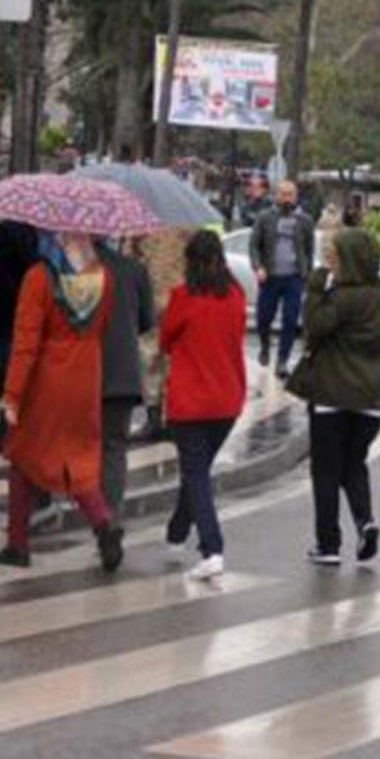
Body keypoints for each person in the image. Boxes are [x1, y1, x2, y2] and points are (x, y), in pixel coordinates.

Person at [0, 231, 124, 572]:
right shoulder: (103, 278)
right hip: (86, 375)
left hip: (47, 379)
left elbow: (26, 343)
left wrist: (12, 395)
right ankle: (103, 523)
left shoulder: (39, 278)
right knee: (79, 457)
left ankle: (18, 544)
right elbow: (104, 325)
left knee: (23, 455)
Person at [286, 229, 380, 566]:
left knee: (327, 469)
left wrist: (317, 283)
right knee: (354, 464)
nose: (330, 256)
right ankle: (366, 521)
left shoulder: (342, 297)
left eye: (336, 252)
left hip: (333, 394)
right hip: (372, 395)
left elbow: (315, 326)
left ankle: (328, 544)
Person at [160, 231, 248, 581]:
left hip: (191, 400)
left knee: (196, 474)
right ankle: (177, 532)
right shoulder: (236, 296)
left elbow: (166, 339)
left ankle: (212, 548)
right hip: (227, 400)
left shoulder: (184, 296)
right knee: (196, 472)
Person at [98, 240, 156, 519]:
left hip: (80, 371)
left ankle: (88, 509)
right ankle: (110, 516)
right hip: (122, 372)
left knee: (77, 443)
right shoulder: (134, 270)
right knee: (114, 446)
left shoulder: (69, 270)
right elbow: (146, 321)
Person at [0, 221, 39, 452]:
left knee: (16, 373)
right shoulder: (9, 230)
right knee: (10, 371)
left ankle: (4, 434)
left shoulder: (41, 235)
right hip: (6, 316)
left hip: (24, 315)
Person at [251, 180, 316, 378]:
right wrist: (258, 267)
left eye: (290, 194)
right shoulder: (265, 217)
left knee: (290, 320)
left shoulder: (305, 220)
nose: (287, 198)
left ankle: (282, 361)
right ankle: (264, 347)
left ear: (296, 196)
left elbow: (309, 249)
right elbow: (254, 245)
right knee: (264, 318)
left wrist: (307, 273)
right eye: (283, 194)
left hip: (293, 278)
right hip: (270, 276)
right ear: (276, 195)